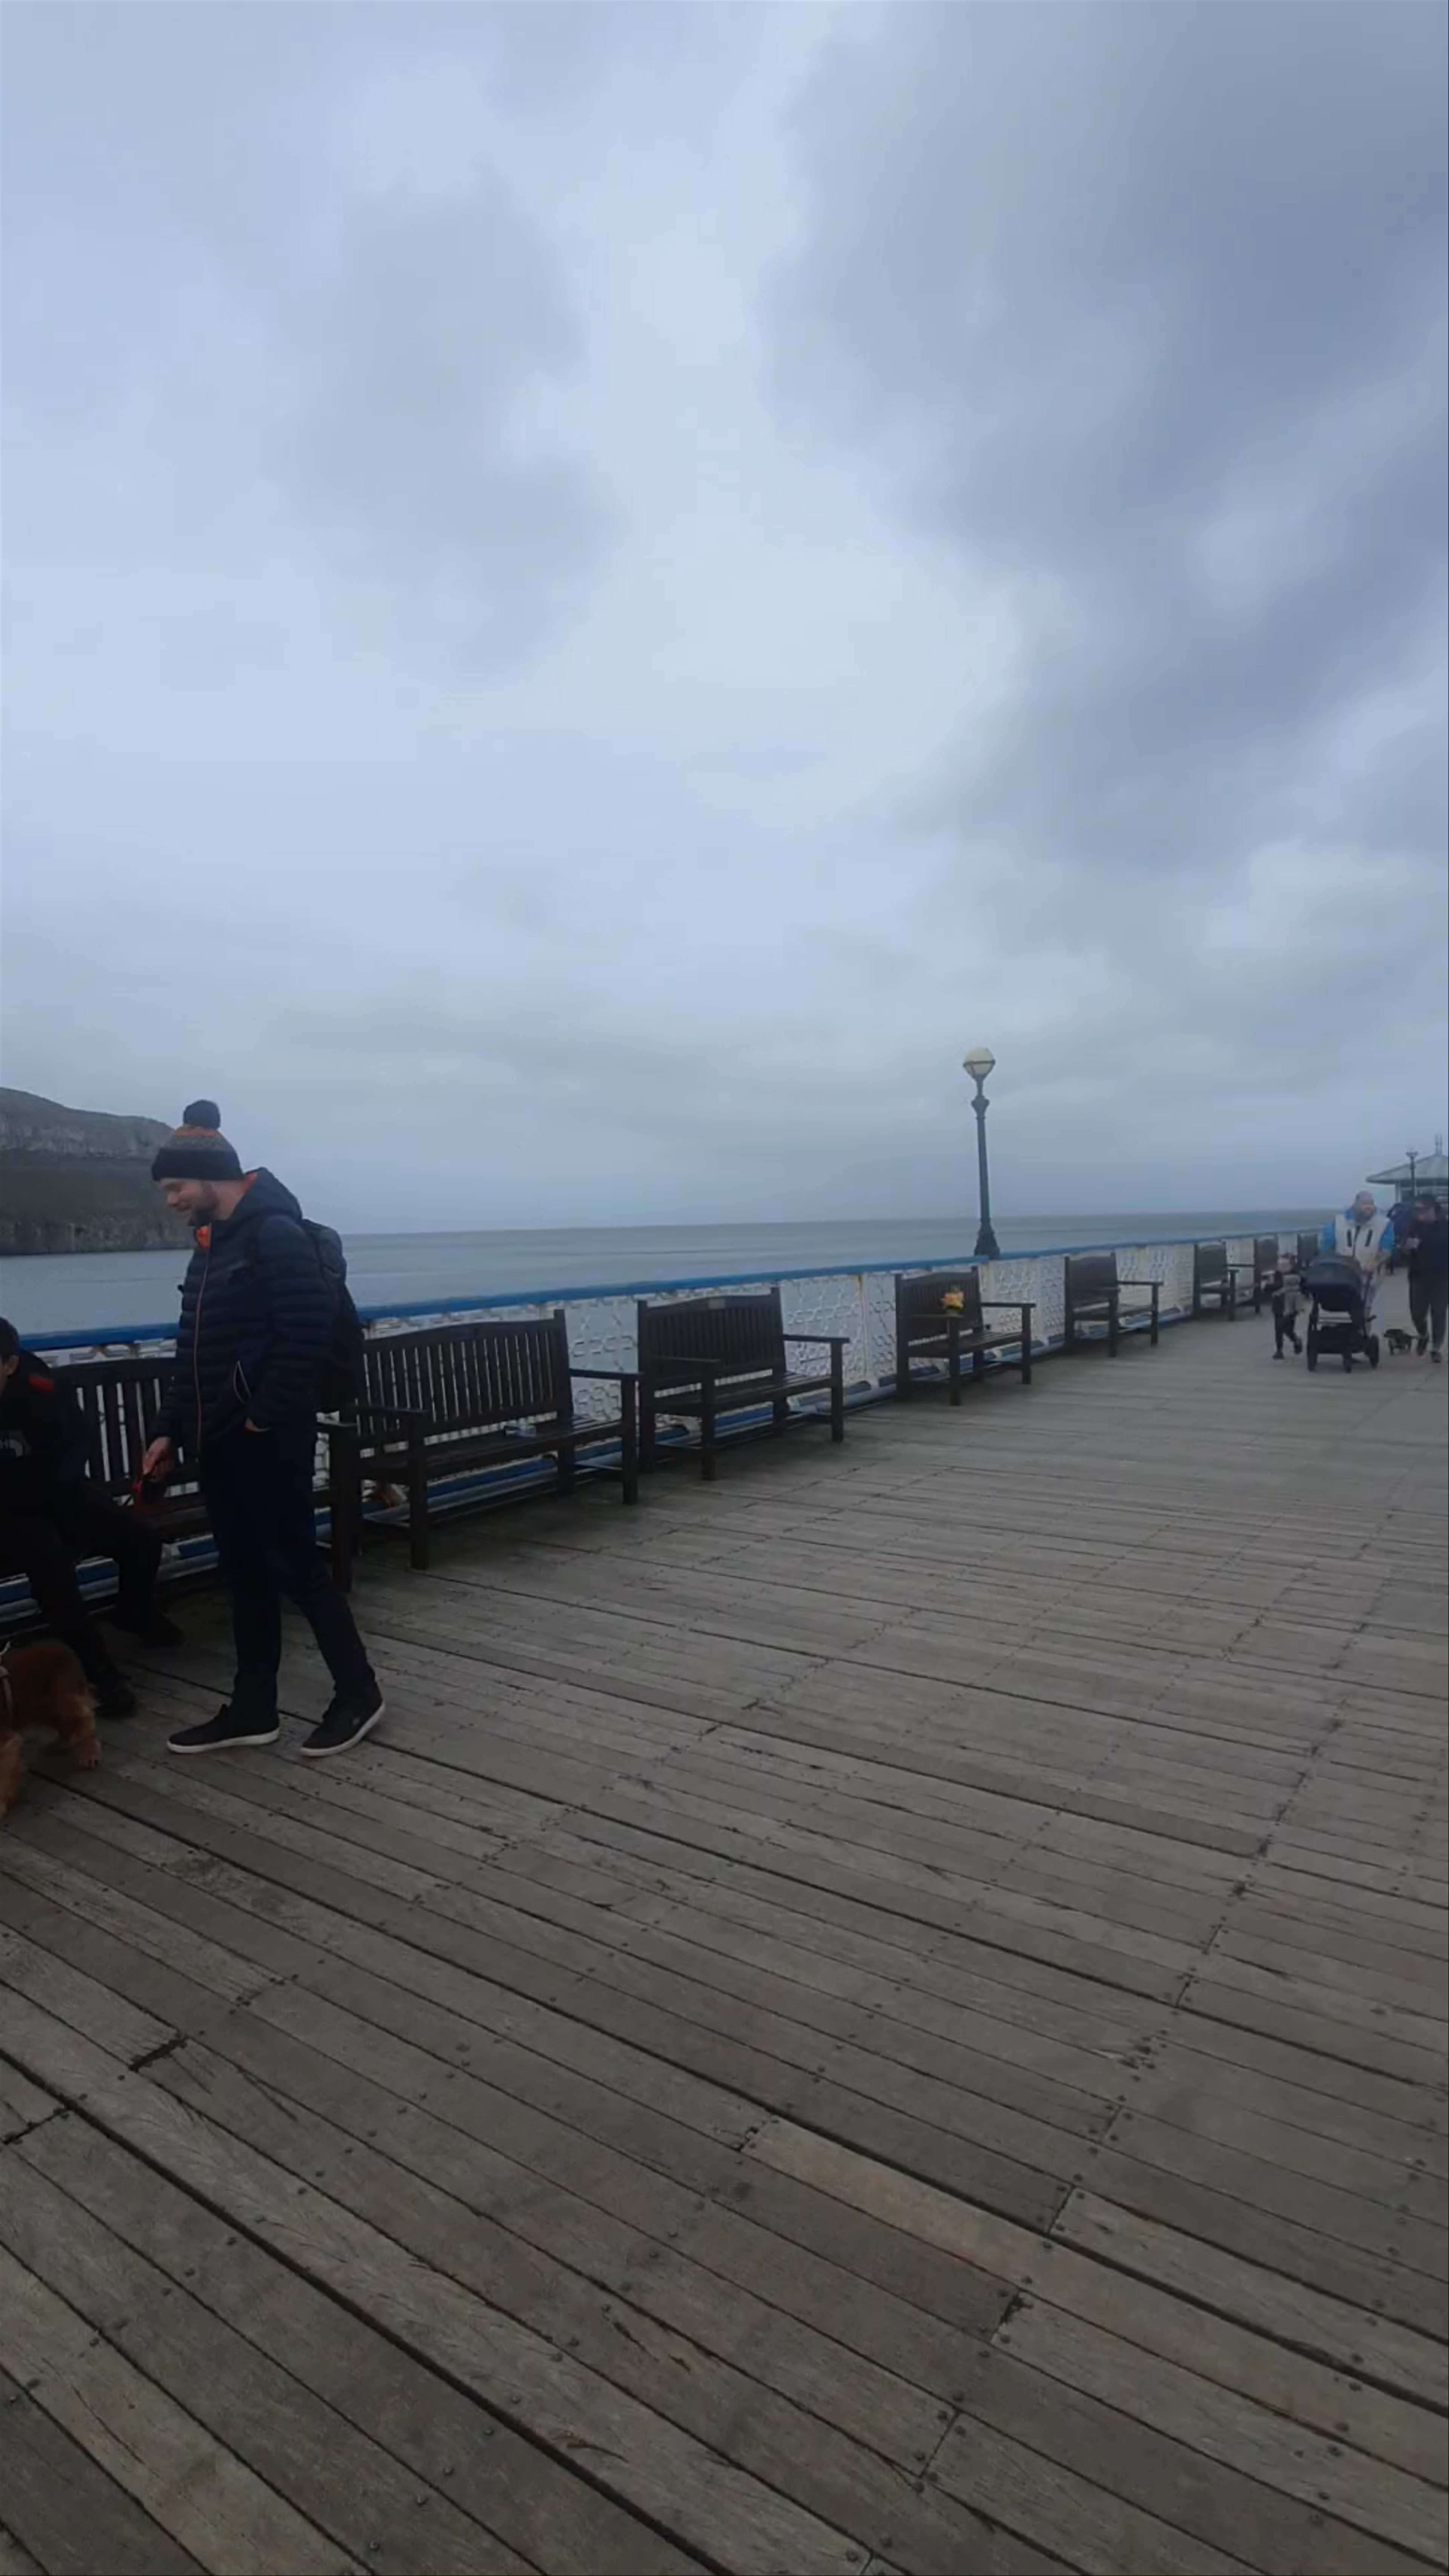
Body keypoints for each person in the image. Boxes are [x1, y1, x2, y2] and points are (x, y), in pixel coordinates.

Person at [139, 1101, 384, 1757]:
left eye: (175, 1188)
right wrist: (169, 1428)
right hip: (217, 1436)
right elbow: (195, 1346)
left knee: (297, 1567)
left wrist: (260, 1416)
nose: (172, 1201)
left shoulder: (274, 1232)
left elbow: (303, 1335)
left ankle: (359, 1692)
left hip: (265, 1435)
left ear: (209, 1175)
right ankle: (253, 1708)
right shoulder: (212, 1243)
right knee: (243, 1570)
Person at [0, 1318, 181, 1718]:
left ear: (10, 1364)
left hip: (56, 1491)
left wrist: (62, 1483)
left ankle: (134, 1610)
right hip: (8, 1513)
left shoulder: (40, 1386)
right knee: (52, 1566)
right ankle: (97, 1671)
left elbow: (80, 1435)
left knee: (139, 1539)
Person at [1321, 1191, 1392, 1321]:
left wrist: (1376, 1262)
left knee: (1364, 1309)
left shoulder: (1385, 1224)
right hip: (1343, 1276)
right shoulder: (1338, 1222)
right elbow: (1327, 1247)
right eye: (1364, 1204)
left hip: (1369, 1275)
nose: (1368, 1208)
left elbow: (1386, 1249)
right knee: (1348, 1307)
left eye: (1371, 1204)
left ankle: (1362, 1333)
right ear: (1355, 1204)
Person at [1403, 1193, 1447, 1361]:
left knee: (1439, 1313)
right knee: (1417, 1313)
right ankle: (1423, 1334)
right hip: (1418, 1276)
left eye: (1423, 1211)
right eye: (1417, 1211)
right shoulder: (1414, 1225)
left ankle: (1436, 1348)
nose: (1419, 1214)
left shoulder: (1445, 1225)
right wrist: (1407, 1246)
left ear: (1433, 1209)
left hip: (1442, 1277)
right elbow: (1404, 1246)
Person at [1263, 1249, 1302, 1358]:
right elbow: (1270, 1288)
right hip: (1279, 1304)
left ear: (1291, 1264)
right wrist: (1267, 1286)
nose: (1282, 1267)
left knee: (1288, 1329)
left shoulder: (1295, 1275)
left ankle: (1296, 1340)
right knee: (1278, 1329)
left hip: (1291, 1306)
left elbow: (1278, 1285)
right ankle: (1279, 1351)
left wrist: (1269, 1286)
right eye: (1280, 1264)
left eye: (1285, 1264)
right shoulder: (1277, 1274)